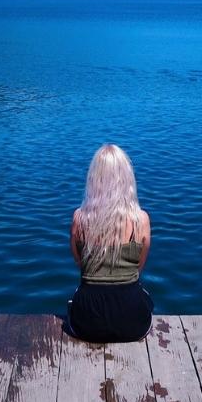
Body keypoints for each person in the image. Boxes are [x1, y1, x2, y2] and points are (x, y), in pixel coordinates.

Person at [67, 143, 154, 343]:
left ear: (93, 179)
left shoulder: (79, 218)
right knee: (145, 296)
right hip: (134, 324)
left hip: (86, 324)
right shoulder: (141, 220)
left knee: (76, 298)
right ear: (127, 179)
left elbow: (80, 263)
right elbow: (138, 268)